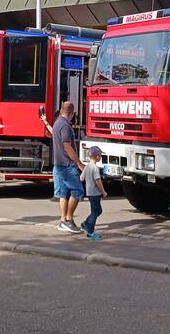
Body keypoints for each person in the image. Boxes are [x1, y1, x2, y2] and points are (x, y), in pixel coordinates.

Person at [41, 101, 85, 233]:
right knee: (77, 191)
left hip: (58, 165)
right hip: (67, 166)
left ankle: (62, 221)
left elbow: (52, 132)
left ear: (61, 111)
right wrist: (79, 164)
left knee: (63, 194)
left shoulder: (57, 123)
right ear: (72, 113)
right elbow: (67, 146)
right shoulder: (66, 126)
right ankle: (69, 220)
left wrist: (45, 122)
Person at [80, 146, 108, 241]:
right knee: (95, 212)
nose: (100, 157)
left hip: (89, 192)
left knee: (97, 211)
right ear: (96, 156)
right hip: (95, 193)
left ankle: (85, 224)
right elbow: (98, 181)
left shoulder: (87, 167)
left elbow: (81, 178)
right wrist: (103, 192)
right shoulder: (95, 168)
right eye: (100, 155)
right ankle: (90, 231)